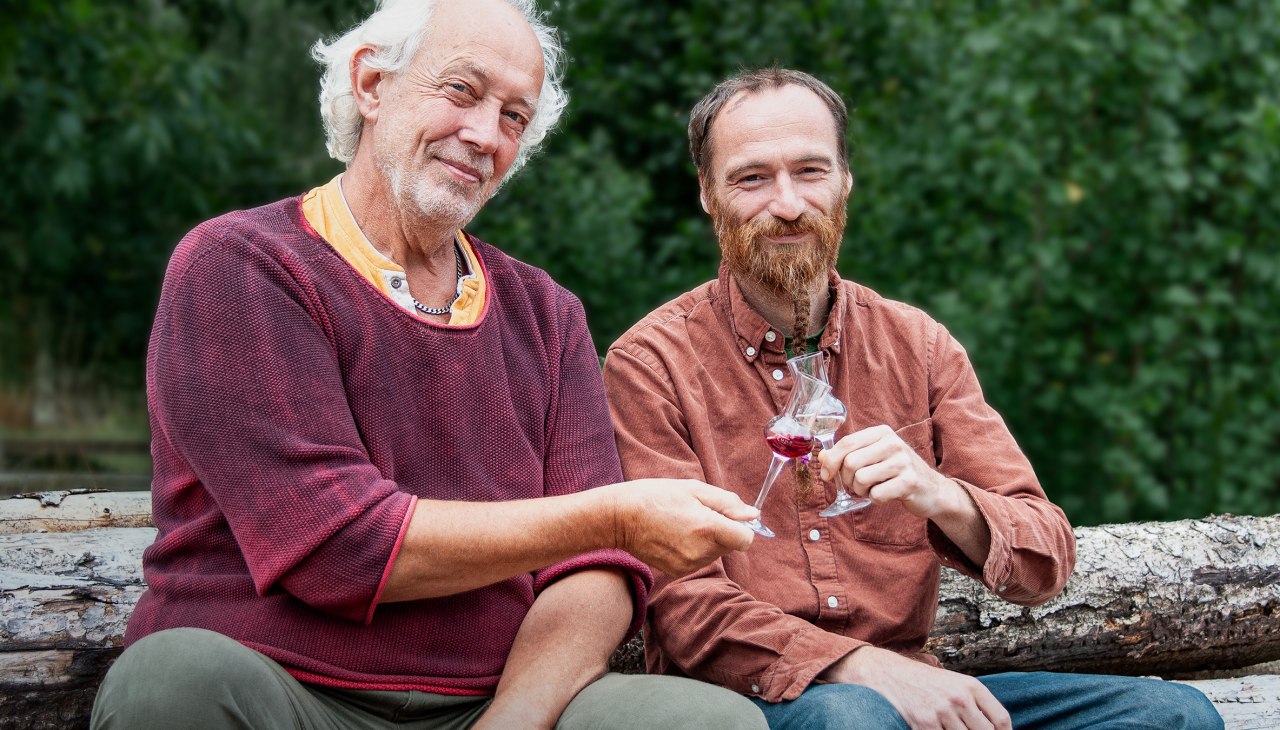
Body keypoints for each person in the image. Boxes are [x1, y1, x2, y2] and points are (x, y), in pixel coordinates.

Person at [88, 2, 769, 729]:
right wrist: (615, 517)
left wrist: (513, 718)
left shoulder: (546, 311)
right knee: (170, 680)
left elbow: (594, 569)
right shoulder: (243, 265)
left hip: (492, 703)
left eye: (514, 117)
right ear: (372, 85)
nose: (484, 135)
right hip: (284, 693)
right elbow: (337, 547)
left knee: (706, 721)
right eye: (461, 92)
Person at [602, 68, 1223, 730]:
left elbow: (1044, 559)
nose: (787, 204)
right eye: (752, 178)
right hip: (754, 702)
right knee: (851, 719)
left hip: (911, 689)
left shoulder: (918, 345)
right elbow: (685, 606)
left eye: (810, 171)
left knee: (1175, 714)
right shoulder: (652, 364)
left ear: (845, 180)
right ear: (707, 193)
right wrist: (859, 667)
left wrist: (941, 496)